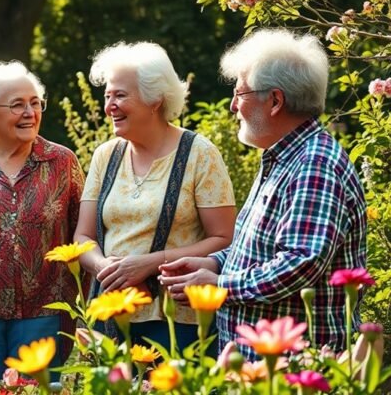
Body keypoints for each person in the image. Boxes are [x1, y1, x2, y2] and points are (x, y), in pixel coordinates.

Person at [159, 29, 368, 361]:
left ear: (275, 101)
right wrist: (212, 263)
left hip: (296, 371)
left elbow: (300, 263)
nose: (232, 106)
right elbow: (256, 251)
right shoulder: (283, 156)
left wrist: (220, 285)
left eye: (240, 93)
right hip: (264, 367)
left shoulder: (314, 165)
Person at [74, 42, 236, 352]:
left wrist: (150, 264)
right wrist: (104, 267)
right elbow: (83, 235)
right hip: (109, 314)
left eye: (120, 95)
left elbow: (224, 238)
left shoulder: (199, 154)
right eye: (107, 96)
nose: (109, 106)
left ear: (155, 99)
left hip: (178, 321)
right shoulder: (104, 156)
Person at [0, 61, 85, 393]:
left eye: (35, 102)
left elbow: (82, 233)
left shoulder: (62, 162)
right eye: (18, 105)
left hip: (45, 311)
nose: (29, 112)